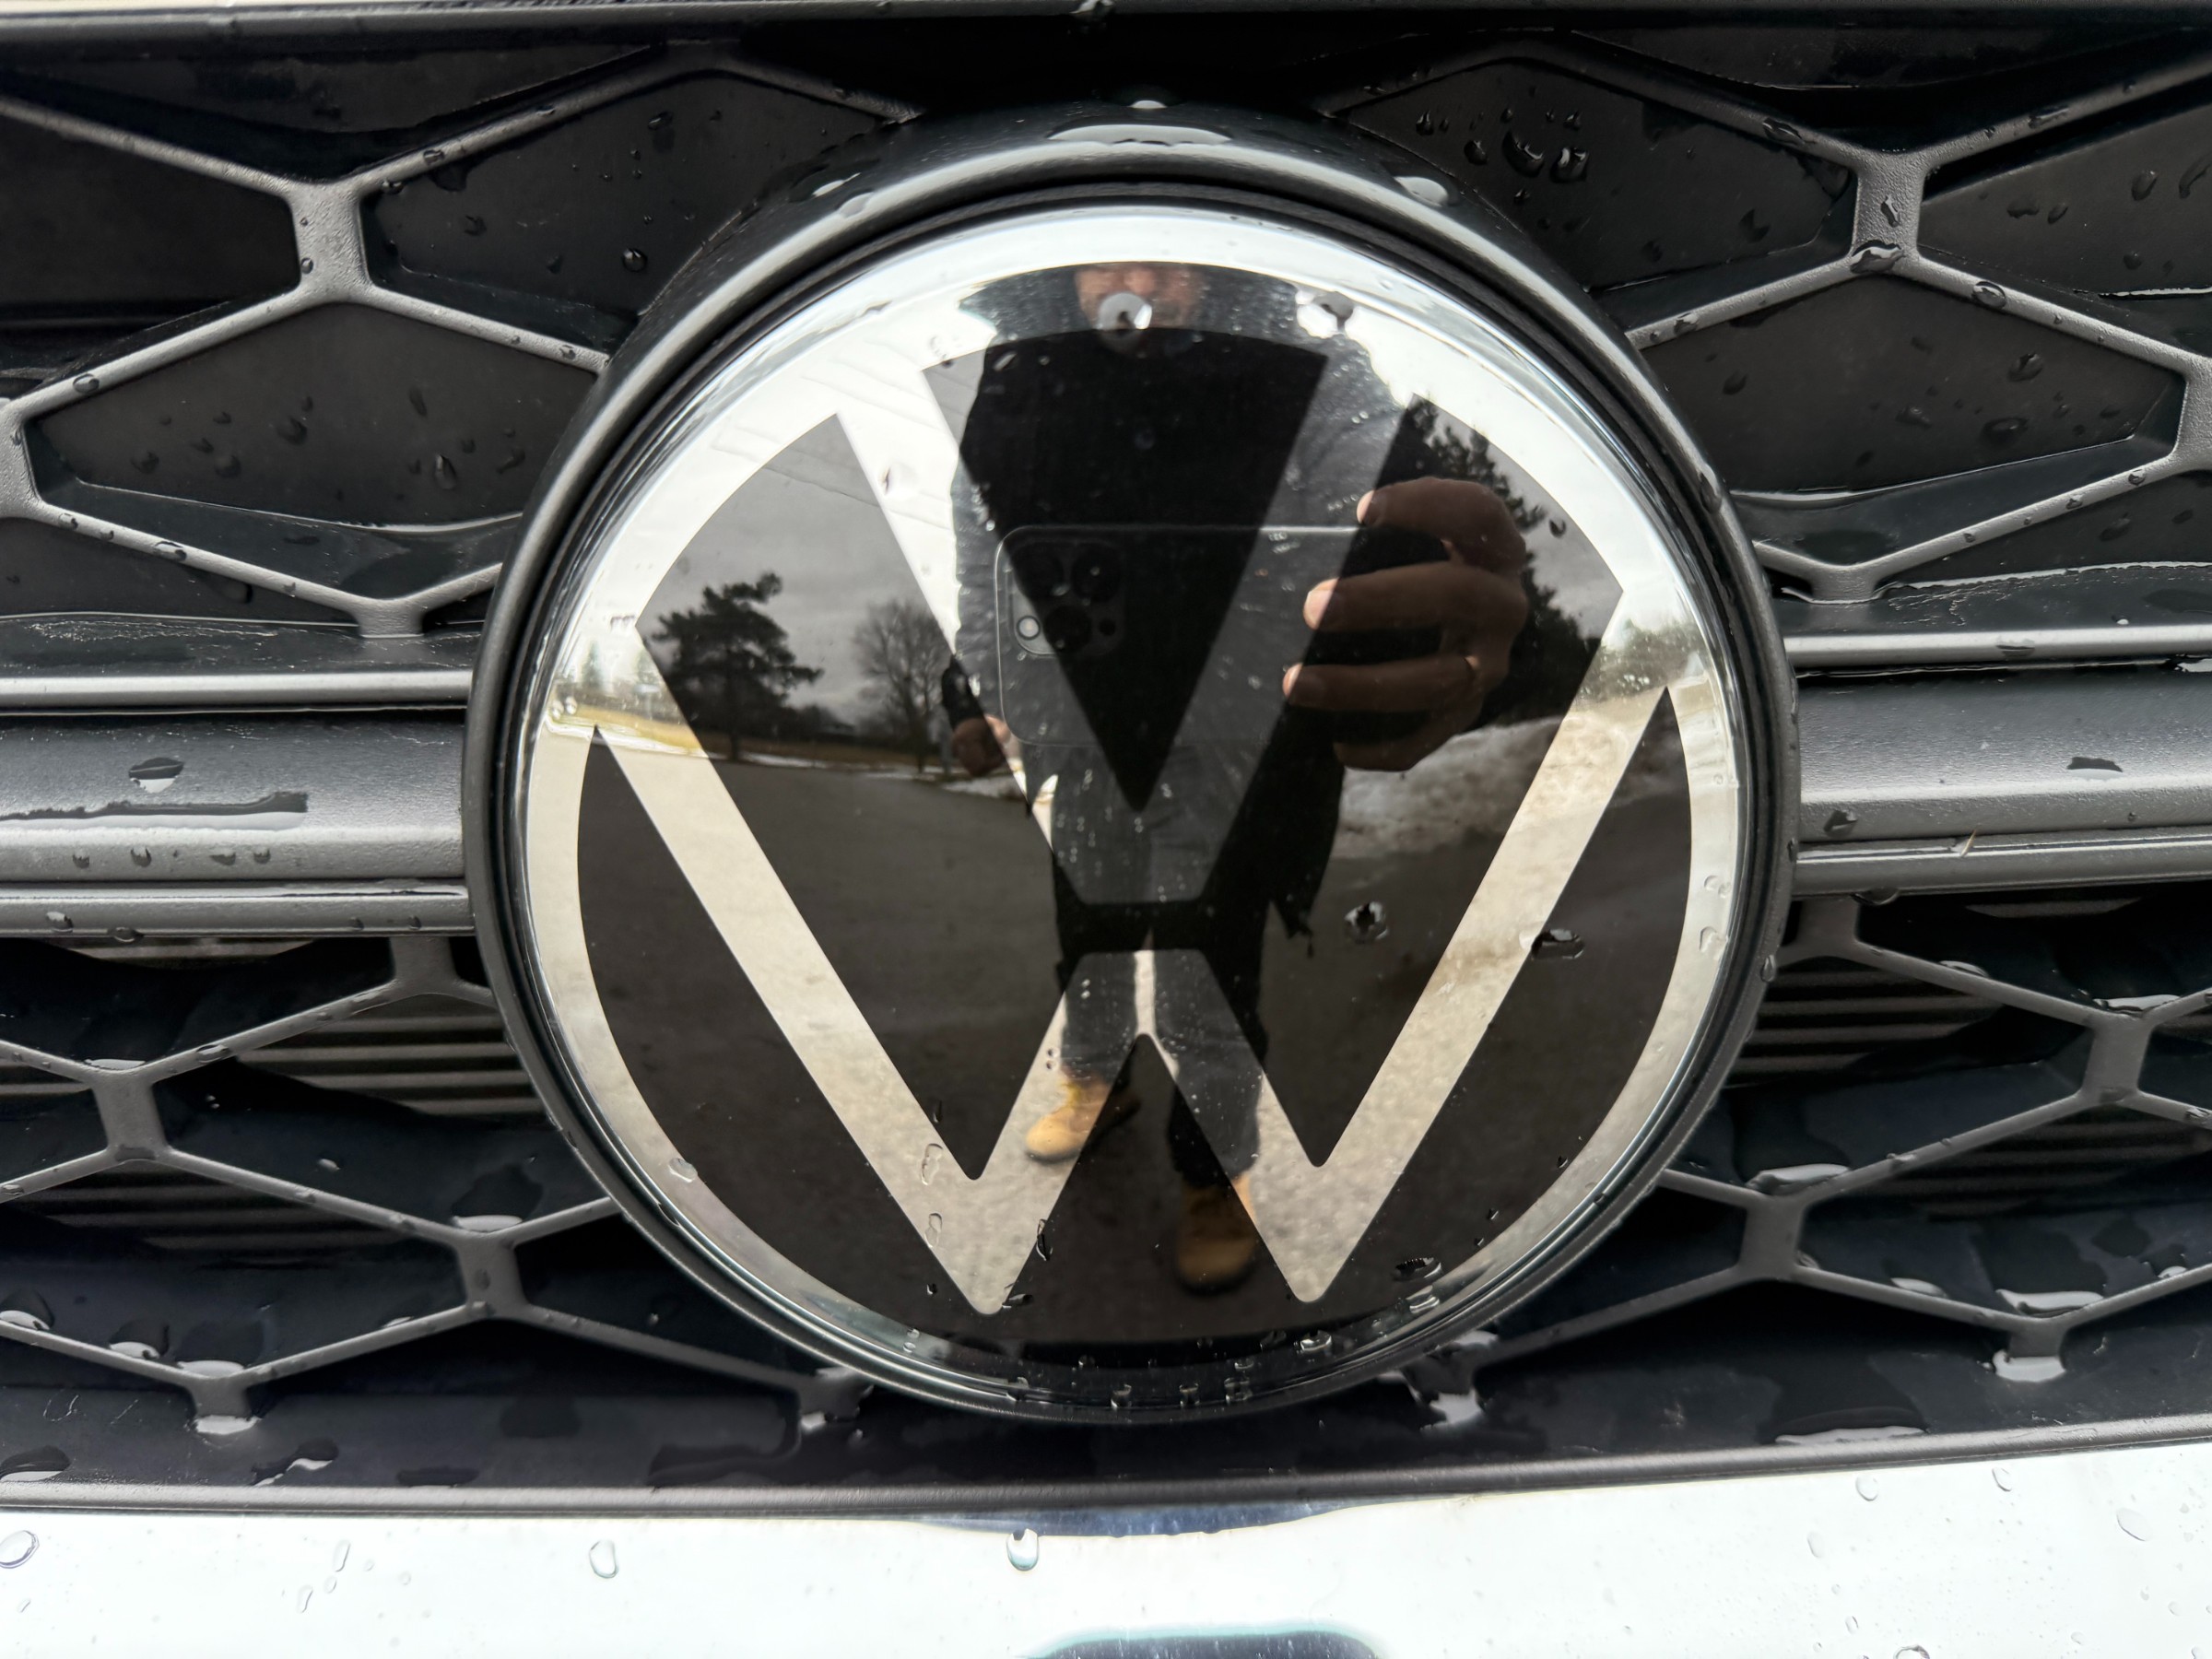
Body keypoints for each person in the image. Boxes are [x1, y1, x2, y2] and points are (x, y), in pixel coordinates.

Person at [946, 259, 1527, 1291]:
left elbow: (1381, 504)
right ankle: (1095, 1082)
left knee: (1206, 971)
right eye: (1107, 261)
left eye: (1168, 262)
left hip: (1236, 737)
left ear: (1215, 270)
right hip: (1085, 729)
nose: (1138, 286)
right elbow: (982, 560)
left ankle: (1214, 1171)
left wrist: (1430, 577)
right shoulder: (1016, 389)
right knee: (1088, 929)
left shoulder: (1308, 370)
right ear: (1061, 272)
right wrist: (982, 692)